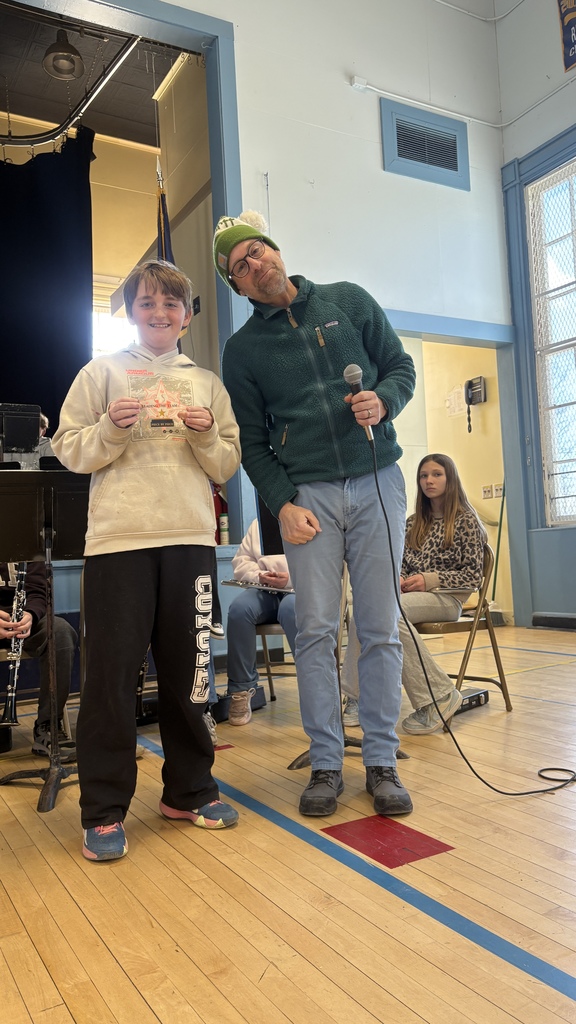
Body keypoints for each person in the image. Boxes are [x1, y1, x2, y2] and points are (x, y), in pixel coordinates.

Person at [213, 211, 416, 818]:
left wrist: (386, 400)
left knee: (379, 629)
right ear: (239, 287)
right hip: (311, 499)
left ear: (275, 249)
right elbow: (251, 443)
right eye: (239, 266)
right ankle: (327, 762)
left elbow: (400, 368)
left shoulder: (348, 301)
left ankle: (381, 758)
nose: (254, 264)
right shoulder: (243, 350)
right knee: (317, 633)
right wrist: (284, 502)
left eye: (256, 251)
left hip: (379, 478)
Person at [52, 259, 242, 861]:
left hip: (189, 539)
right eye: (147, 303)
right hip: (118, 542)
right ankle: (103, 809)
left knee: (191, 673)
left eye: (171, 304)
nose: (159, 314)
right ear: (130, 312)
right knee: (109, 679)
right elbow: (67, 447)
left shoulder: (206, 382)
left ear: (186, 316)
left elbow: (226, 464)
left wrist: (208, 435)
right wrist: (109, 429)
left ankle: (190, 789)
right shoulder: (101, 372)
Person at [341, 454, 486, 734]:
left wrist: (427, 580)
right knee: (367, 609)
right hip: (409, 597)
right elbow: (402, 564)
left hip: (448, 598)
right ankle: (357, 698)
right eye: (423, 476)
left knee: (387, 614)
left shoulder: (466, 520)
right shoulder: (412, 522)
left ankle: (437, 697)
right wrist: (399, 577)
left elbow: (473, 576)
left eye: (437, 474)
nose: (429, 480)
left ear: (450, 478)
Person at [0, 561, 77, 760]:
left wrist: (31, 615)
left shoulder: (25, 537)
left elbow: (39, 592)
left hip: (26, 620)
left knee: (60, 632)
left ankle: (48, 726)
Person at [225, 518, 297, 726]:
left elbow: (327, 564)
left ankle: (315, 688)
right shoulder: (260, 522)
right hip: (265, 588)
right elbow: (241, 562)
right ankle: (240, 689)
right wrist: (260, 575)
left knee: (290, 608)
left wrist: (290, 579)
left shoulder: (317, 512)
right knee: (239, 610)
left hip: (301, 588)